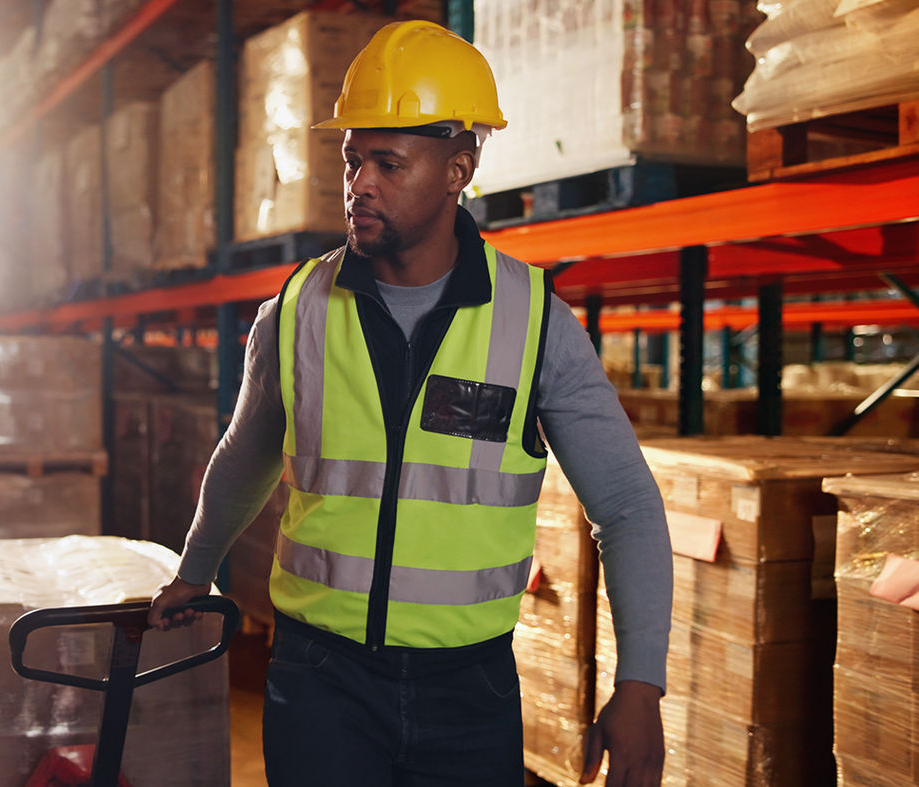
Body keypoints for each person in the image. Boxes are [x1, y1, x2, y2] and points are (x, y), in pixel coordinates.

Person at [149, 19, 671, 787]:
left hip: (470, 689)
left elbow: (625, 504)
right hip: (320, 676)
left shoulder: (533, 322)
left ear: (459, 167)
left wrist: (640, 685)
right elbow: (248, 451)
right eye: (352, 158)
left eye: (388, 163)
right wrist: (197, 568)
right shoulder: (299, 309)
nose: (359, 183)